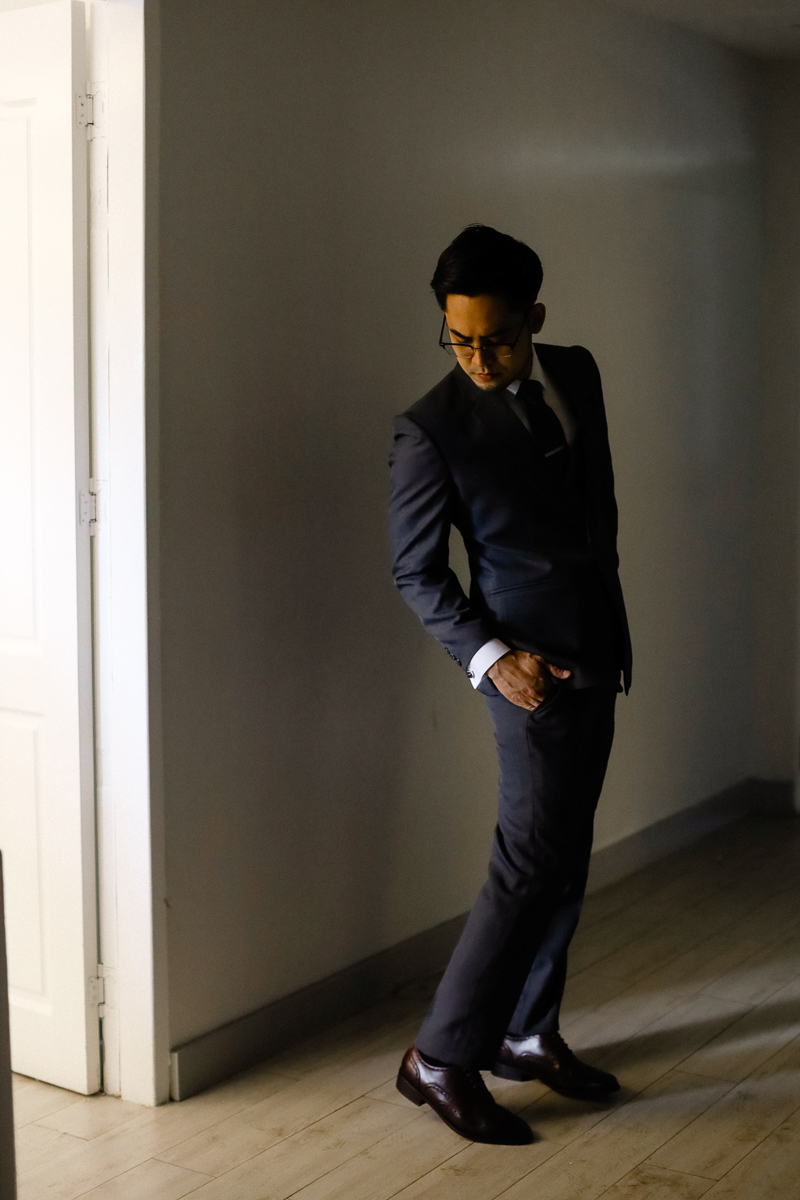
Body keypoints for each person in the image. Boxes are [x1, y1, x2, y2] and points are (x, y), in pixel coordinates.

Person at [388, 224, 632, 1145]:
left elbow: (590, 511)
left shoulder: (578, 372)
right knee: (527, 862)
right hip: (523, 674)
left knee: (566, 854)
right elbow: (416, 571)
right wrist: (498, 659)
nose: (477, 359)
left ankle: (527, 1034)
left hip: (598, 649)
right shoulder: (430, 429)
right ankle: (439, 1056)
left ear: (535, 317)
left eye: (494, 338)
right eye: (457, 339)